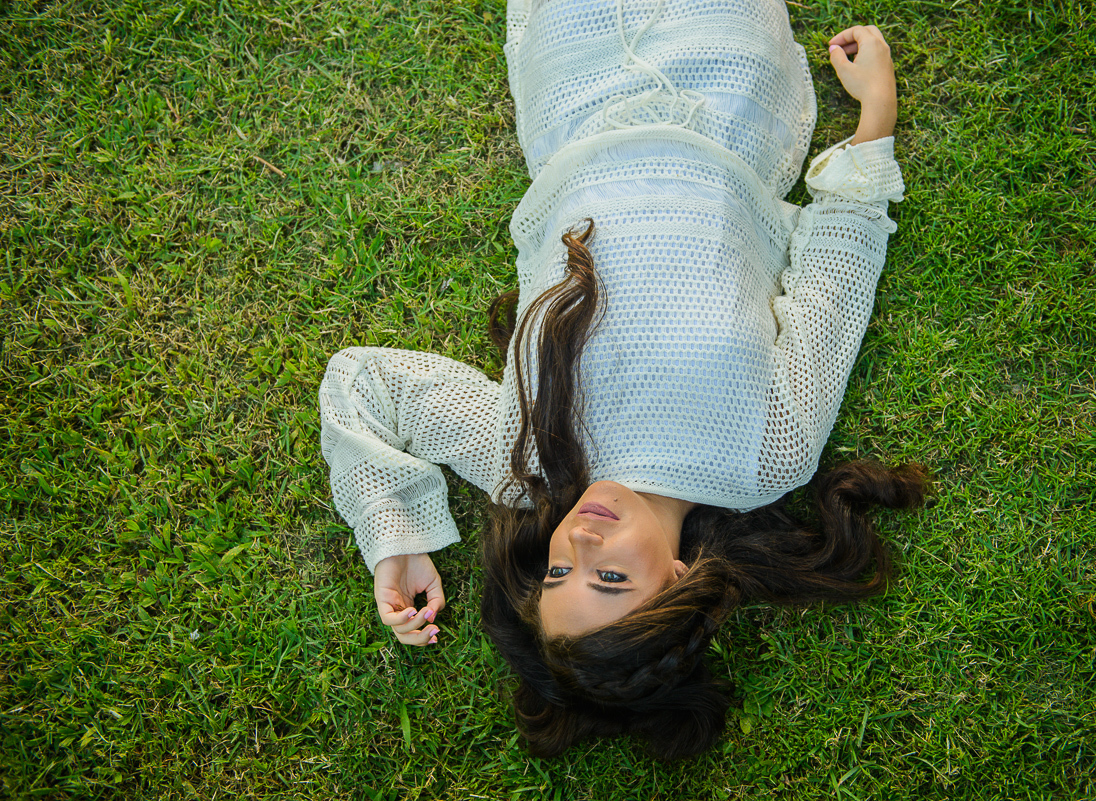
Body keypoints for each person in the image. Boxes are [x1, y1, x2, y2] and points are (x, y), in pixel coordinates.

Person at [319, 0, 928, 759]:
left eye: (560, 569)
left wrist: (394, 539)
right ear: (679, 579)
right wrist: (878, 111)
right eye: (608, 575)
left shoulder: (530, 460)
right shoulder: (767, 456)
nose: (579, 536)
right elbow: (836, 278)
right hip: (730, 89)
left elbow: (362, 384)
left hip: (572, 91)